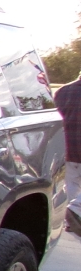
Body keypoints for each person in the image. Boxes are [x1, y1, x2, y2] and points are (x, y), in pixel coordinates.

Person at [55, 69, 81, 234]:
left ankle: (72, 221)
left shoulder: (62, 91)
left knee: (71, 185)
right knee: (73, 189)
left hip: (67, 146)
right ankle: (75, 210)